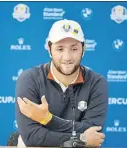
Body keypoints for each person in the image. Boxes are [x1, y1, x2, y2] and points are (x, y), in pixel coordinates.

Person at [15, 19, 108, 147]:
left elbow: (94, 131)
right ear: (49, 48)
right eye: (60, 49)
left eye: (74, 49)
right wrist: (82, 139)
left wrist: (47, 119)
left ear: (84, 49)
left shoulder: (97, 82)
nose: (67, 57)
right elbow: (32, 137)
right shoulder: (30, 79)